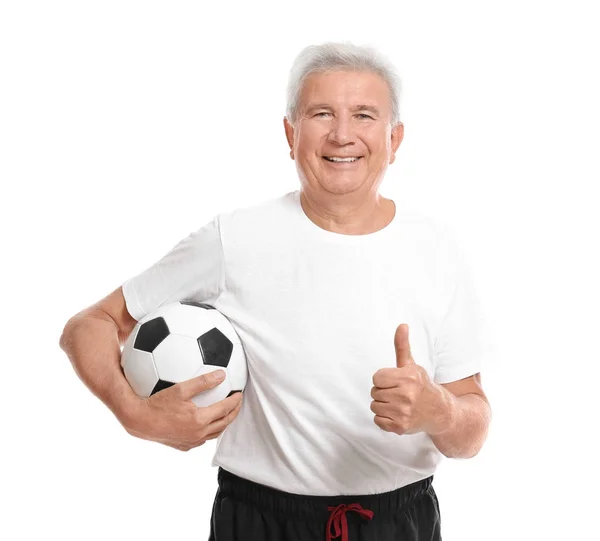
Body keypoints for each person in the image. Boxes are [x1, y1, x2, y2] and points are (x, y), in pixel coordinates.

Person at [60, 41, 493, 541]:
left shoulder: (437, 249)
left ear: (395, 139)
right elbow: (90, 325)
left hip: (397, 521)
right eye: (322, 113)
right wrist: (135, 413)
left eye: (365, 115)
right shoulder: (235, 239)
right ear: (291, 134)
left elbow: (473, 428)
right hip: (259, 519)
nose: (343, 134)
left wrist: (438, 410)